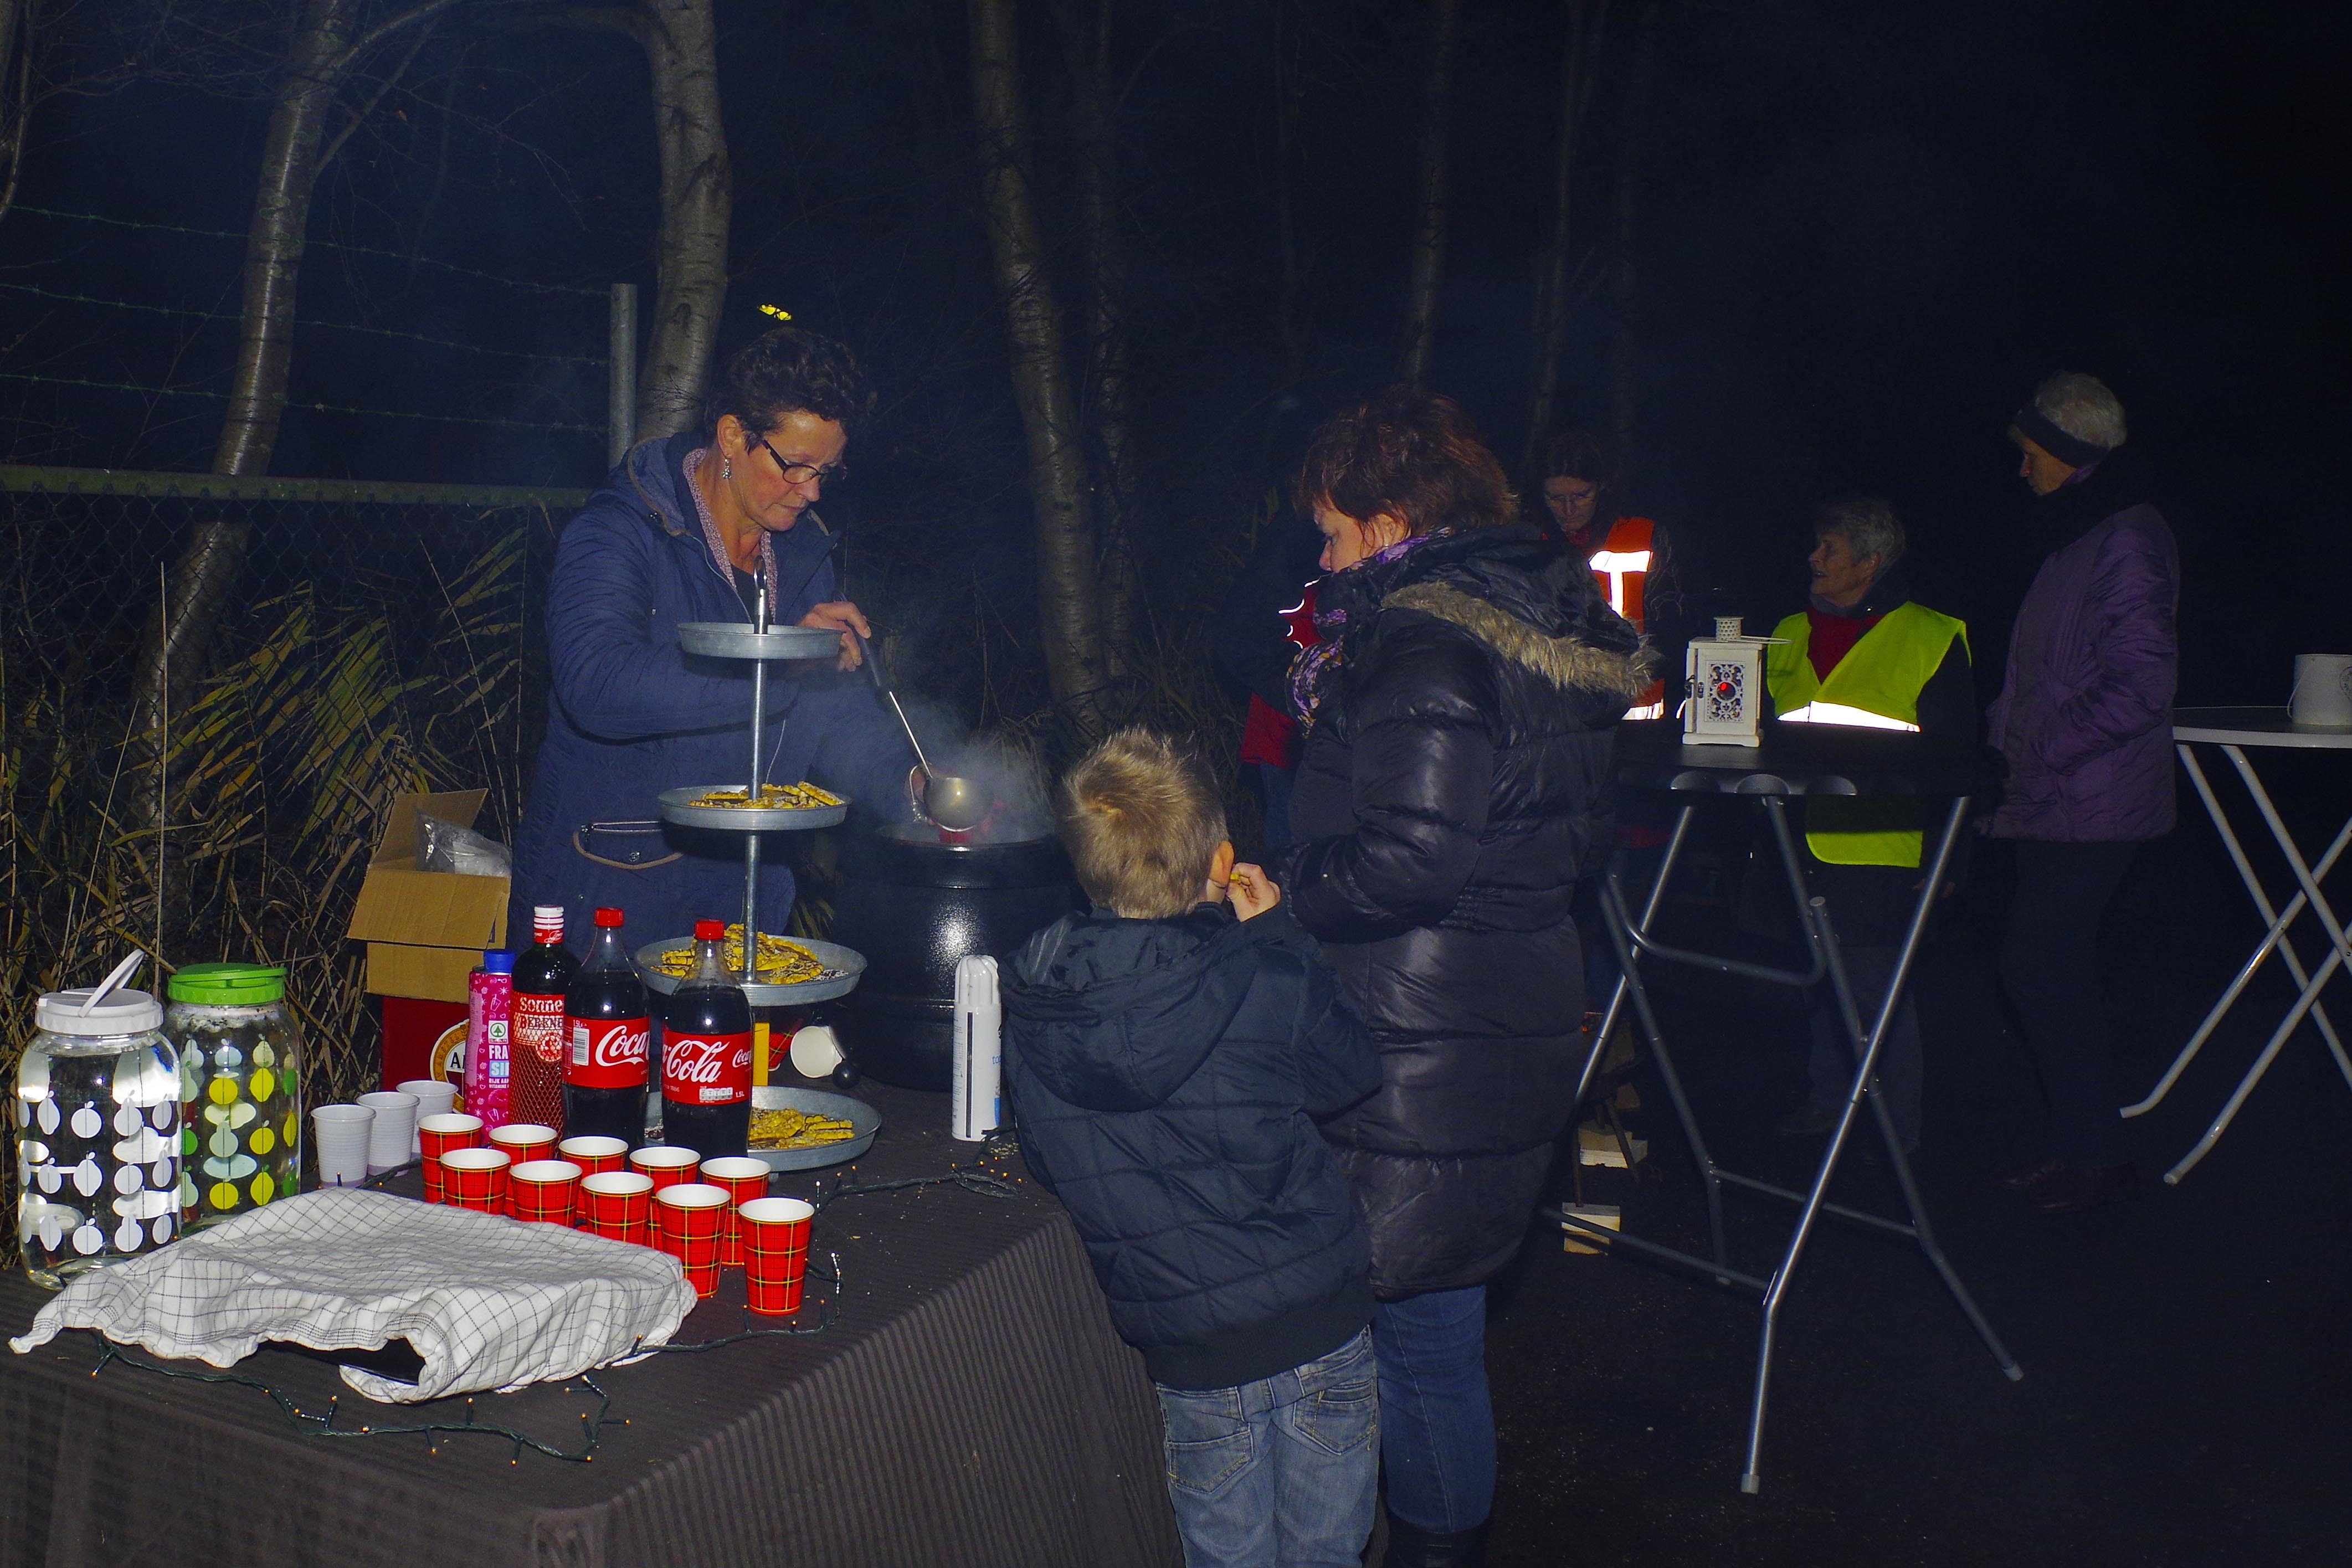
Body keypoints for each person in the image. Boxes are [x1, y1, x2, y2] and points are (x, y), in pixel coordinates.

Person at [1280, 390, 1649, 1566]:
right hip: (1502, 1006)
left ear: (1389, 524)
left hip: (1416, 1033)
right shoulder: (1525, 622)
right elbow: (1573, 840)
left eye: (1334, 533)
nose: (1322, 555)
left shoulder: (1428, 639)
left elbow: (1409, 856)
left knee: (1416, 1335)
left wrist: (1280, 890)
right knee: (1431, 1322)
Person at [1000, 728, 1382, 1568]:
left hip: (1191, 1347)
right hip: (1318, 1319)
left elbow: (1043, 1154)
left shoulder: (1031, 1001)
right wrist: (1277, 933)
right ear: (1220, 859)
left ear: (1086, 861)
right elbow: (1351, 1072)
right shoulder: (1264, 973)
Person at [510, 326, 920, 944]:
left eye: (826, 472)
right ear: (732, 435)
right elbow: (596, 683)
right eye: (795, 466)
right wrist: (779, 657)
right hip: (611, 897)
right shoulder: (620, 532)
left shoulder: (804, 552)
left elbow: (830, 711)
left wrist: (908, 779)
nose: (810, 491)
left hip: (747, 896)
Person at [1986, 372, 2178, 1215]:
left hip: (2089, 805)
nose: (2020, 469)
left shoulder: (2124, 539)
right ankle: (2079, 1148)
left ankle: (2097, 1156)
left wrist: (2036, 751)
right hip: (2055, 800)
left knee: (2039, 967)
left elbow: (2142, 685)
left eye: (2029, 455)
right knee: (2048, 972)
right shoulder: (2080, 534)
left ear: (2065, 455)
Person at [1763, 498, 1972, 1155]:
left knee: (1879, 994)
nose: (1813, 559)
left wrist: (1948, 858)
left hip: (1882, 844)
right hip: (1792, 840)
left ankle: (1897, 1136)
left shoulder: (1931, 634)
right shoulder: (1786, 631)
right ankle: (1829, 1102)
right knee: (1821, 979)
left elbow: (1959, 759)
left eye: (1828, 548)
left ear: (1869, 562)